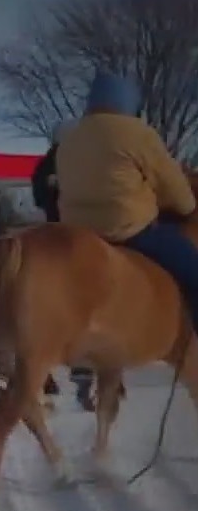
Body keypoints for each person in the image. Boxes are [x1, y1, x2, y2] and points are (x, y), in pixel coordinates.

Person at [57, 70, 198, 339]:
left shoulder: (70, 139)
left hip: (75, 233)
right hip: (129, 229)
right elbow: (174, 187)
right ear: (130, 103)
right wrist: (187, 208)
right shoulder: (137, 133)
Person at [30, 118, 95, 409]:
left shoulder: (42, 166)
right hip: (77, 237)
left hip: (49, 233)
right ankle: (84, 368)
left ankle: (40, 370)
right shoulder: (79, 163)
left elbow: (37, 199)